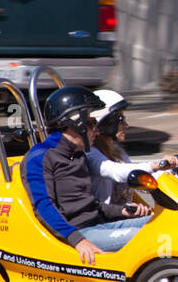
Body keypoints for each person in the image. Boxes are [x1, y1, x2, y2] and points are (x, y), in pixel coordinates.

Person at [20, 85, 150, 265]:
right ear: (75, 124)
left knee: (163, 225)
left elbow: (90, 205)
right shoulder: (41, 156)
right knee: (154, 237)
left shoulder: (78, 154)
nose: (97, 131)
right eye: (91, 124)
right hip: (80, 233)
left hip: (98, 225)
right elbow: (43, 206)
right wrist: (77, 240)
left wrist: (121, 211)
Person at [82, 89, 178, 250]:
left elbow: (140, 178)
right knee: (158, 237)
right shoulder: (90, 152)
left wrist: (175, 172)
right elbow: (118, 172)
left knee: (172, 225)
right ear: (106, 123)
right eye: (120, 119)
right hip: (100, 224)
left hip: (118, 219)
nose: (126, 125)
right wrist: (157, 165)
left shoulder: (116, 150)